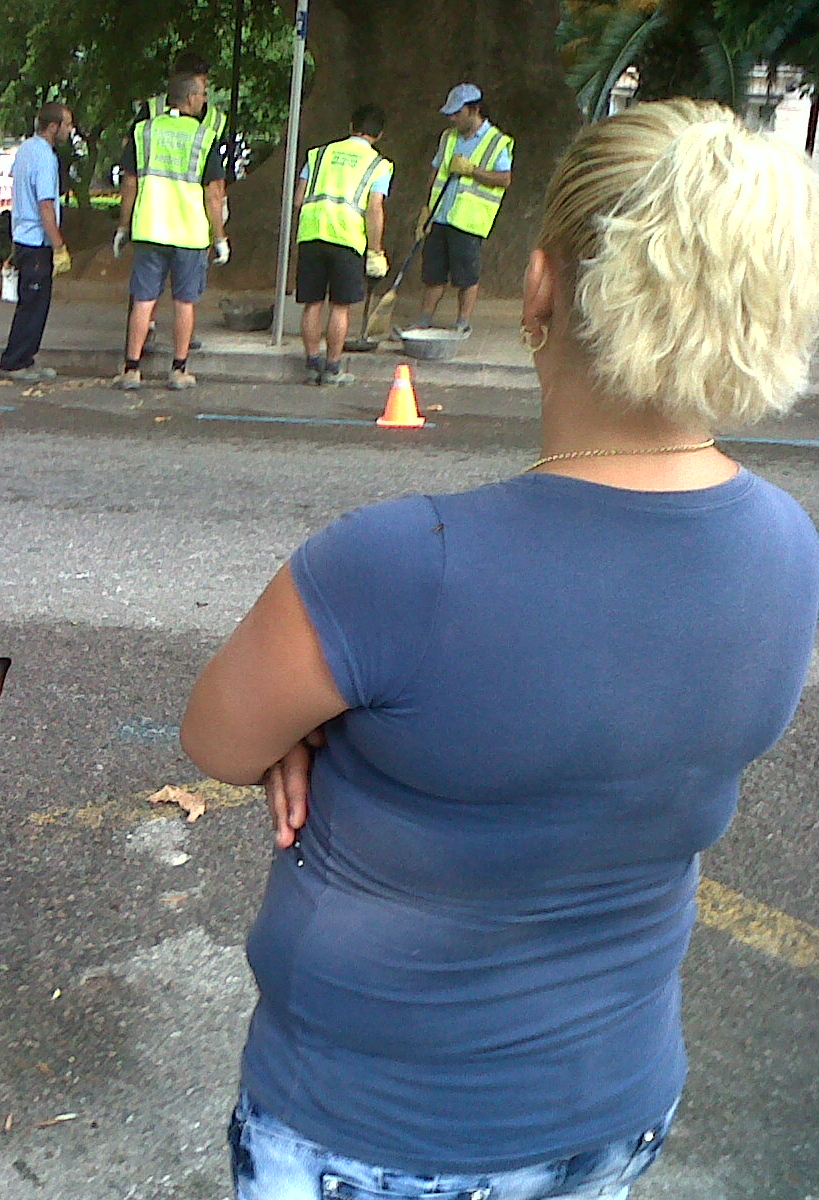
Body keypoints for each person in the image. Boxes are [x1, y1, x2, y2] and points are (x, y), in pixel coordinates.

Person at [182, 99, 819, 1200]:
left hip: (368, 1133)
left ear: (538, 288)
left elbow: (218, 739)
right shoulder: (788, 548)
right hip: (616, 1108)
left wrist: (319, 723)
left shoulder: (400, 565)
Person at [112, 73, 230, 392]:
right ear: (190, 98)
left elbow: (130, 184)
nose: (205, 99)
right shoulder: (204, 137)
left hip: (149, 228)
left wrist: (124, 227)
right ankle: (178, 370)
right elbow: (214, 193)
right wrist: (219, 237)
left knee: (144, 300)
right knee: (184, 302)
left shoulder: (144, 132)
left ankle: (131, 369)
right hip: (190, 234)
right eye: (203, 94)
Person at [292, 104, 391, 386]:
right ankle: (333, 368)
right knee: (340, 305)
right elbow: (374, 209)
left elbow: (299, 199)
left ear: (351, 126)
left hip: (311, 233)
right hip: (347, 237)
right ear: (379, 134)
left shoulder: (319, 154)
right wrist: (375, 250)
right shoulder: (379, 165)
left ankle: (312, 364)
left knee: (312, 303)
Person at [409, 83, 512, 334]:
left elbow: (504, 179)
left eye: (457, 113)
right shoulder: (448, 137)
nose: (452, 118)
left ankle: (462, 323)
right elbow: (435, 173)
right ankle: (424, 319)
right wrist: (426, 209)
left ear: (475, 109)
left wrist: (472, 171)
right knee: (433, 272)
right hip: (440, 215)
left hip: (468, 220)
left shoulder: (496, 141)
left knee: (466, 275)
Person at [0, 102, 74, 383]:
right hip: (36, 242)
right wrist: (58, 246)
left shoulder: (26, 150)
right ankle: (15, 361)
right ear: (53, 127)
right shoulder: (45, 157)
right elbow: (45, 205)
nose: (70, 130)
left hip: (22, 237)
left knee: (30, 302)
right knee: (34, 305)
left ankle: (25, 358)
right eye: (66, 124)